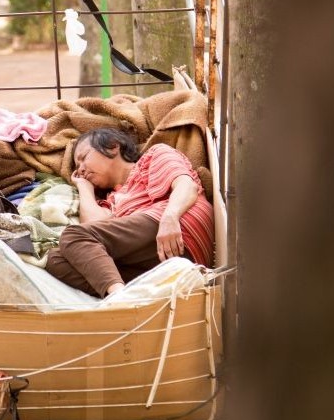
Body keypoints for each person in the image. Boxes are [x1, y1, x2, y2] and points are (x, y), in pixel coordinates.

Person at [45, 128, 214, 298]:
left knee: (72, 235)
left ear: (113, 146)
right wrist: (83, 187)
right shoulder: (111, 201)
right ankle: (126, 293)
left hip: (180, 228)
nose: (80, 169)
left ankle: (119, 298)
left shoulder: (154, 155)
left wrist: (170, 217)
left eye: (83, 158)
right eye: (77, 166)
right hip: (158, 261)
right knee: (54, 260)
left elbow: (187, 186)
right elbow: (92, 230)